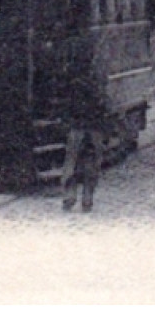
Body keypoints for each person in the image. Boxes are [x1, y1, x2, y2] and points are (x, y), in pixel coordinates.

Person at [60, 30, 105, 212]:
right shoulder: (95, 77)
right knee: (91, 162)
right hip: (92, 124)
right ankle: (87, 197)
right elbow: (103, 100)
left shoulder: (71, 75)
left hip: (78, 124)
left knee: (72, 161)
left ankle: (70, 196)